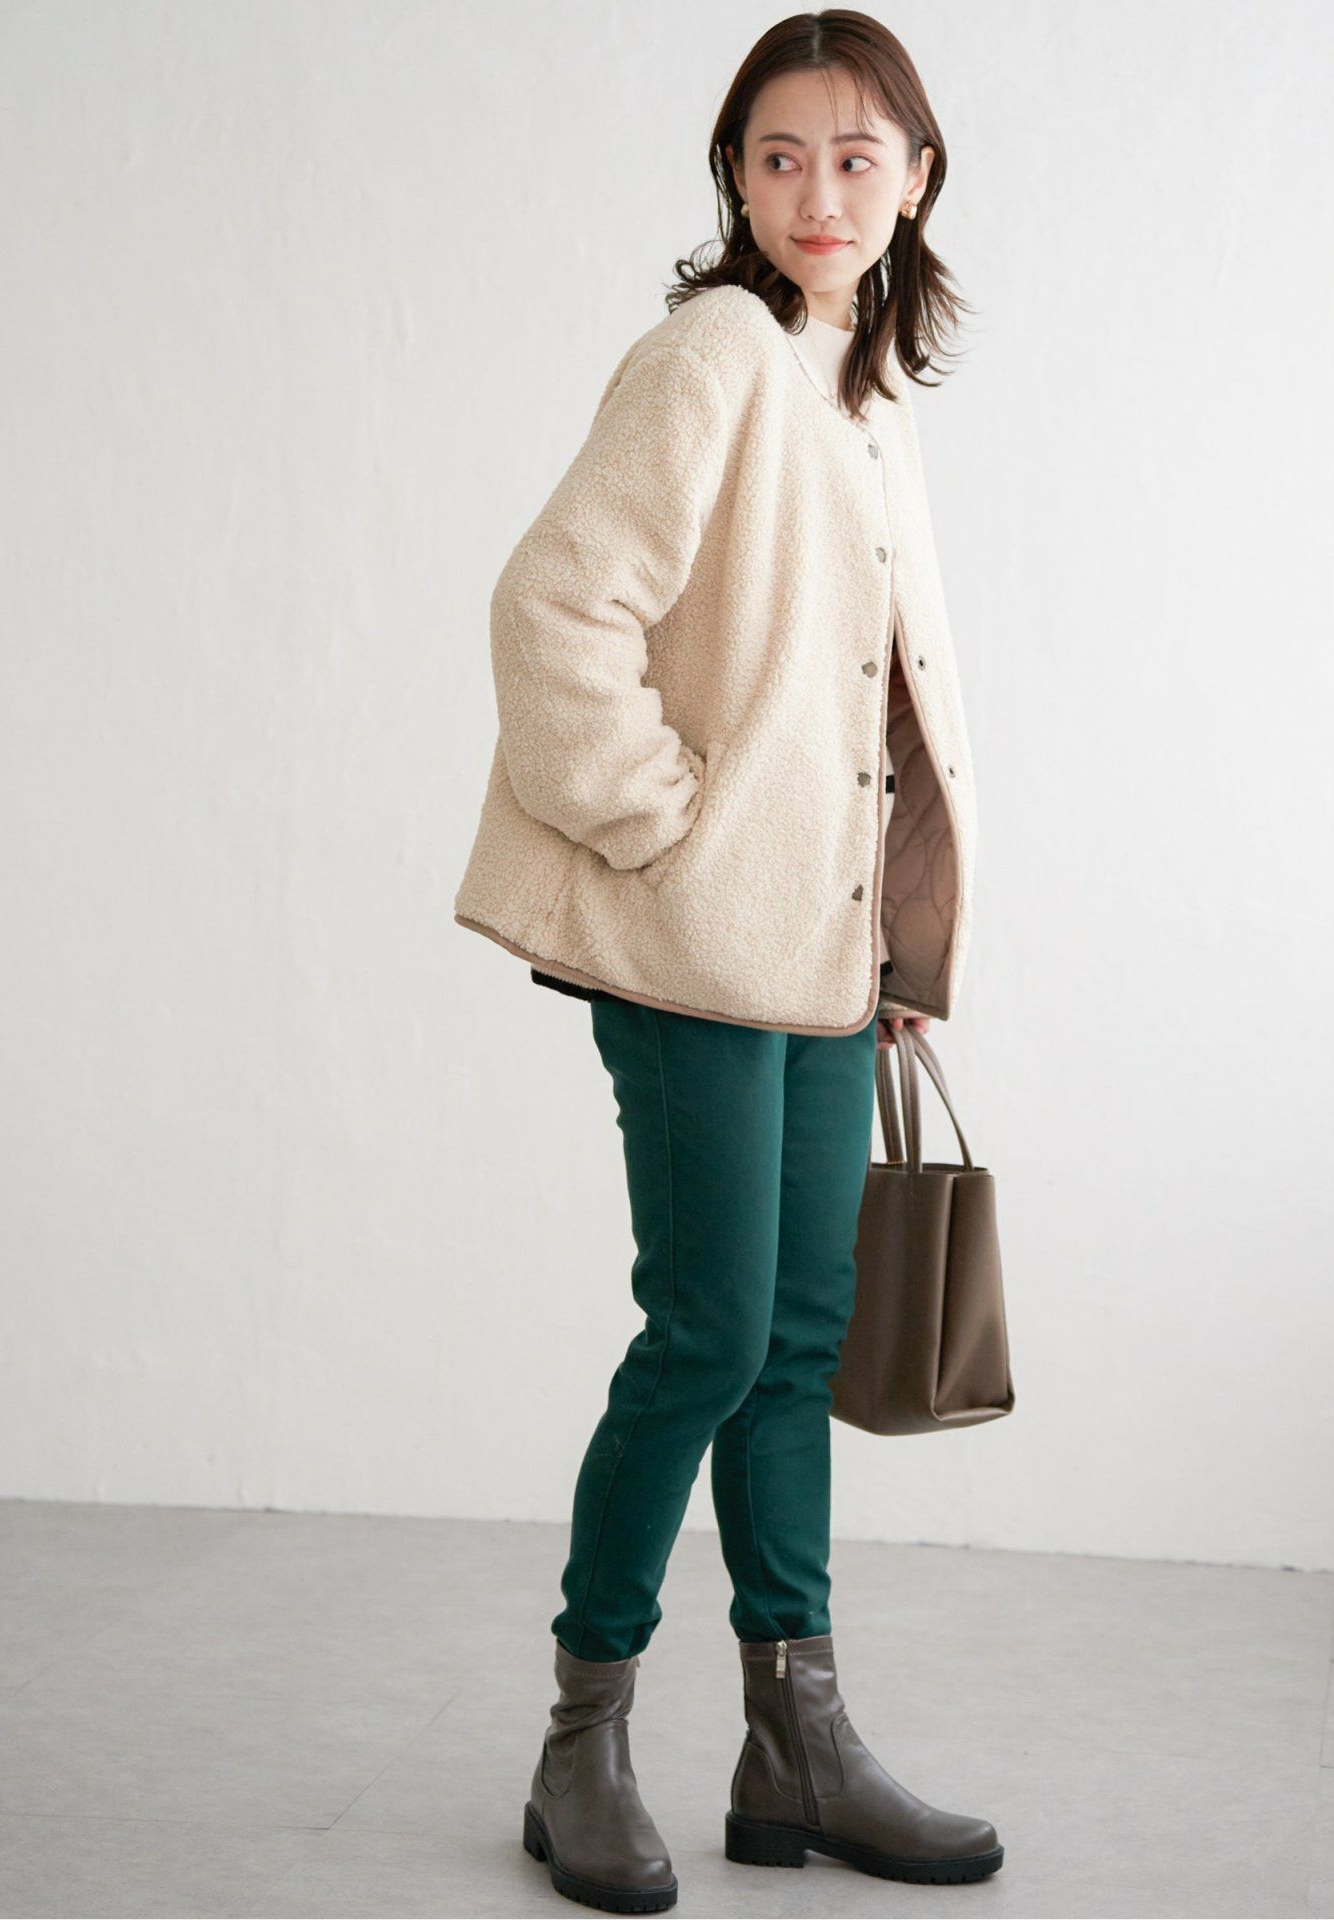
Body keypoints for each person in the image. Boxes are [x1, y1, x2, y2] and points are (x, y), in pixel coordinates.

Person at [454, 12, 999, 1910]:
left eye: (856, 156)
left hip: (826, 967)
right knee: (707, 1333)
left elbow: (886, 704)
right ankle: (581, 1738)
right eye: (779, 157)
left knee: (793, 1345)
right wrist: (662, 829)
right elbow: (553, 609)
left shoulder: (865, 391)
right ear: (737, 180)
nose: (817, 191)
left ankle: (797, 1742)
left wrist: (896, 940)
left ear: (915, 178)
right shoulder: (713, 359)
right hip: (693, 951)